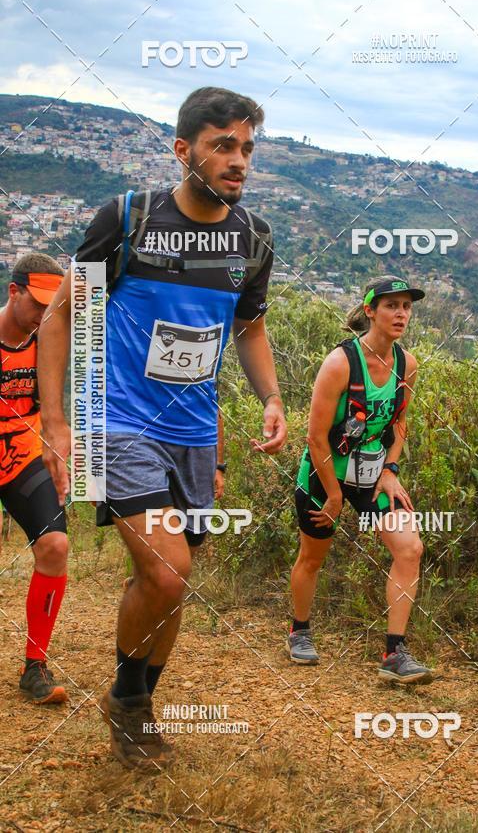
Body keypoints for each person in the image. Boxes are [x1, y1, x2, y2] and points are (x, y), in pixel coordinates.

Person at [38, 87, 287, 770]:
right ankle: (125, 700)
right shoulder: (128, 218)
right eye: (223, 146)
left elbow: (251, 327)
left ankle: (138, 705)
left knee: (172, 580)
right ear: (184, 151)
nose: (238, 161)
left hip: (194, 435)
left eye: (247, 148)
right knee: (169, 571)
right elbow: (61, 316)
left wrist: (270, 397)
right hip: (117, 422)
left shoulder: (254, 238)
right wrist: (57, 422)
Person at [289, 276, 432, 684]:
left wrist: (390, 470)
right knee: (313, 558)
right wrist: (333, 496)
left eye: (406, 306)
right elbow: (316, 438)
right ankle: (299, 631)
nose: (401, 313)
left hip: (373, 476)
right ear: (370, 311)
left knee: (410, 548)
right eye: (391, 306)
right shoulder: (340, 363)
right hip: (323, 475)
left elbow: (400, 422)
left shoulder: (407, 364)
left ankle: (394, 652)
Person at [0, 254, 68, 703]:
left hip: (24, 454)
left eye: (53, 306)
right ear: (14, 291)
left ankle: (35, 666)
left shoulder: (48, 340)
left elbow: (56, 406)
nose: (45, 315)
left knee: (55, 545)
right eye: (38, 303)